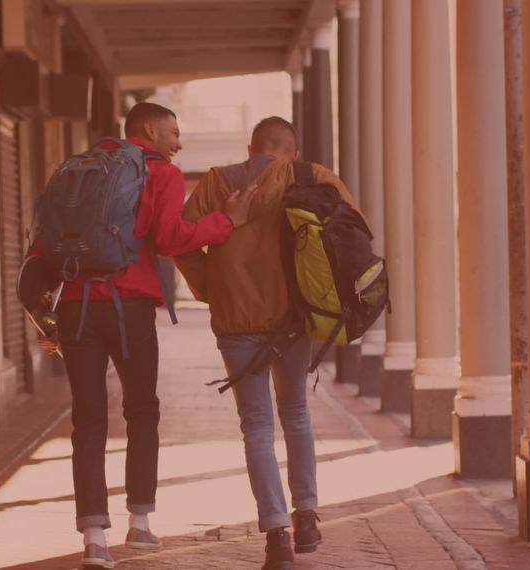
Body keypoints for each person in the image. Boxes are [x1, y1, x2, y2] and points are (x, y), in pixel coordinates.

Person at [36, 102, 257, 568]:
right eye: (174, 133)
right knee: (141, 411)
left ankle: (93, 539)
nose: (178, 144)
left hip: (75, 307)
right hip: (129, 306)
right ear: (151, 130)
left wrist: (46, 315)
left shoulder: (78, 169)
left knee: (87, 420)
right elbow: (171, 239)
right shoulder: (160, 172)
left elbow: (43, 245)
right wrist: (226, 223)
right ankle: (140, 526)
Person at [175, 116, 360, 570]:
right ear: (291, 152)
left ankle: (276, 534)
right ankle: (308, 516)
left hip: (237, 320)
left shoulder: (219, 181)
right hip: (294, 317)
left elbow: (179, 242)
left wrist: (210, 289)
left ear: (251, 147)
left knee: (255, 425)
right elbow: (353, 232)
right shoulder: (312, 177)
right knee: (295, 411)